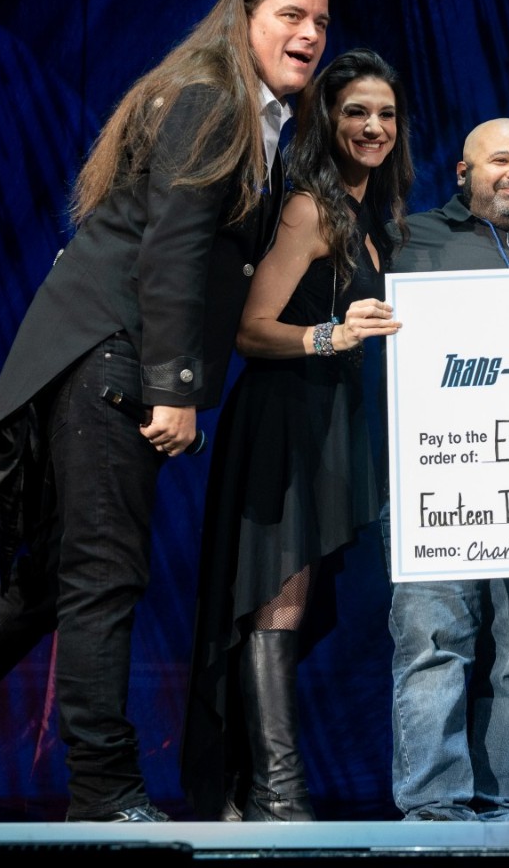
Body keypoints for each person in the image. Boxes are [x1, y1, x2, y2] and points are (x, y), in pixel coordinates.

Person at [0, 0, 331, 823]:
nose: (310, 33)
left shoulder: (258, 116)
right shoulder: (214, 100)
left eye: (320, 20)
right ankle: (102, 788)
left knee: (57, 576)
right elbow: (173, 248)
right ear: (244, 15)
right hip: (113, 357)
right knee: (103, 575)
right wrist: (175, 384)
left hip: (102, 353)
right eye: (291, 14)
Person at [180, 50, 411, 822]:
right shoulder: (310, 208)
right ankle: (278, 791)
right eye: (356, 112)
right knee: (273, 600)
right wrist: (329, 336)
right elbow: (251, 328)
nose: (373, 126)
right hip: (282, 417)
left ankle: (255, 783)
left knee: (294, 602)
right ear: (327, 121)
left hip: (332, 421)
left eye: (385, 113)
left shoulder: (374, 219)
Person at [385, 117, 509, 821]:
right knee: (433, 645)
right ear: (464, 173)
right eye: (501, 160)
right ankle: (435, 806)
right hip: (436, 478)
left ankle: (504, 804)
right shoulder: (411, 241)